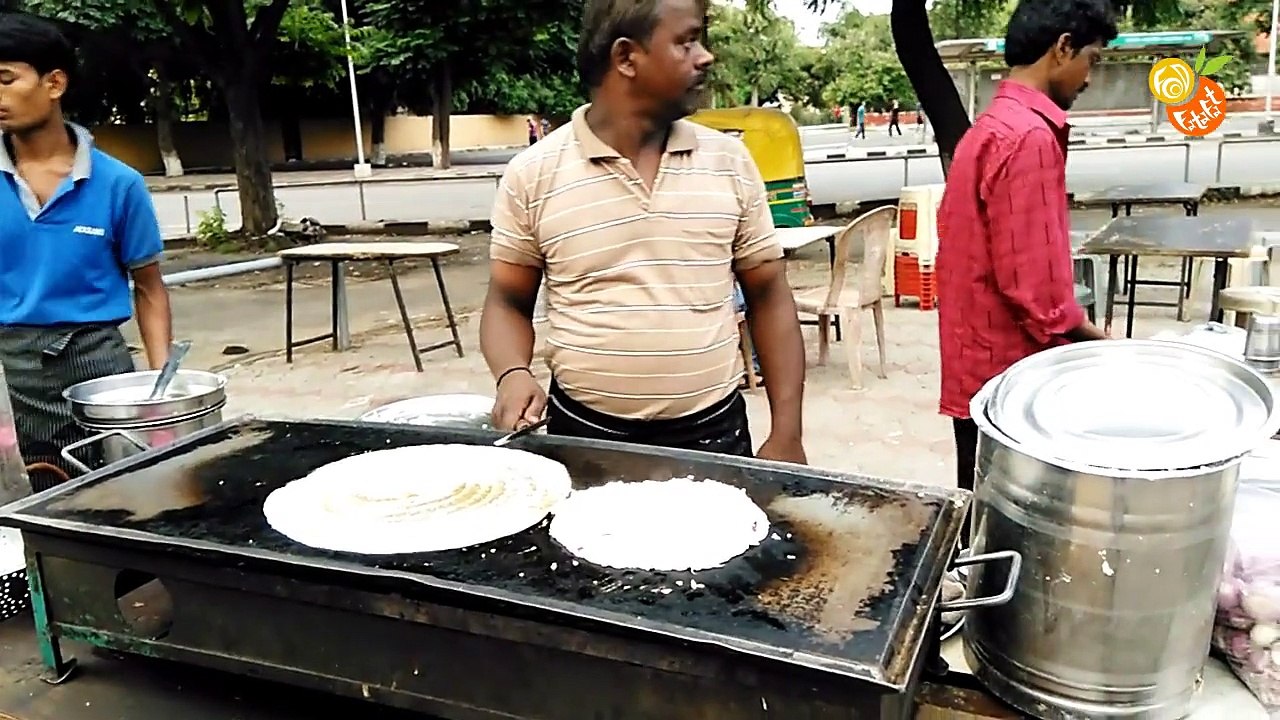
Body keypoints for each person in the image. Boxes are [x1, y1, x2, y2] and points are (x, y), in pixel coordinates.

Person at [480, 0, 806, 463]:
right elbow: (507, 301)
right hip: (585, 437)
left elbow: (769, 295)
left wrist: (787, 432)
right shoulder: (534, 174)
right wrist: (512, 373)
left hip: (714, 435)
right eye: (686, 42)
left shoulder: (729, 162)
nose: (706, 56)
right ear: (626, 57)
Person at [936, 0, 1114, 544]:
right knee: (1016, 542)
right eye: (1091, 59)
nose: (1089, 77)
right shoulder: (1028, 137)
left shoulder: (989, 128)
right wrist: (1103, 346)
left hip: (978, 370)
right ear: (1062, 48)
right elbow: (1037, 292)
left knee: (984, 527)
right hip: (1012, 382)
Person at [0, 13, 173, 482]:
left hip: (100, 368)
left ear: (54, 83)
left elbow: (149, 288)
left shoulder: (118, 184)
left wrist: (161, 391)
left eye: (6, 80)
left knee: (122, 492)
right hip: (14, 372)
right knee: (38, 498)